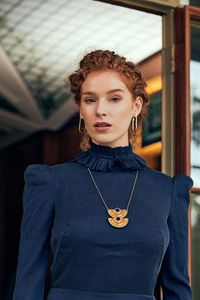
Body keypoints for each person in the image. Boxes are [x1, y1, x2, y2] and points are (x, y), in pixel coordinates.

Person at [12, 50, 193, 300]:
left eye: (114, 99)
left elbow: (178, 289)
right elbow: (27, 281)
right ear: (81, 110)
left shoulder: (170, 190)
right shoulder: (49, 182)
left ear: (136, 106)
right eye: (90, 100)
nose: (100, 110)